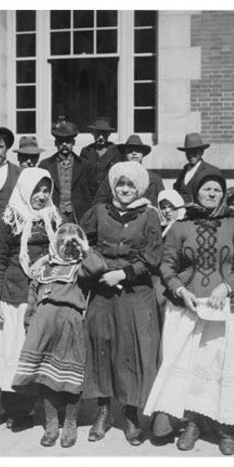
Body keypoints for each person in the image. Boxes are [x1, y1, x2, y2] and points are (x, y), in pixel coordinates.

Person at [144, 168, 234, 456]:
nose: (212, 193)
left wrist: (226, 288)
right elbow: (166, 265)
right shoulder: (181, 226)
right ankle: (191, 423)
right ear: (196, 192)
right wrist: (181, 291)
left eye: (218, 190)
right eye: (207, 189)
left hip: (225, 308)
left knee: (220, 364)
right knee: (191, 366)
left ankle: (225, 426)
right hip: (189, 307)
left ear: (224, 194)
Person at [80, 161, 162, 446]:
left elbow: (153, 256)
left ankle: (130, 414)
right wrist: (99, 270)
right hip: (102, 291)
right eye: (120, 184)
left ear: (139, 187)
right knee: (101, 345)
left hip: (135, 293)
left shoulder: (149, 215)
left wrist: (124, 273)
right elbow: (82, 244)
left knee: (130, 351)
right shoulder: (99, 212)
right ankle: (103, 412)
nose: (125, 190)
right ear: (113, 186)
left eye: (131, 185)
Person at [12, 224, 107, 448]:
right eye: (63, 243)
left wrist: (84, 248)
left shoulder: (81, 269)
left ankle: (71, 422)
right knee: (45, 376)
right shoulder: (44, 269)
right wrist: (29, 323)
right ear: (54, 244)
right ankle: (51, 423)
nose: (68, 248)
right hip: (42, 326)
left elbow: (99, 267)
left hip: (70, 324)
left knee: (71, 376)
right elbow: (33, 296)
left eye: (73, 243)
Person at [0, 167, 62, 429]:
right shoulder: (9, 219)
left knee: (39, 352)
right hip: (15, 295)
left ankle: (38, 407)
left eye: (46, 190)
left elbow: (63, 252)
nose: (41, 196)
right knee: (15, 351)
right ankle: (15, 410)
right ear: (25, 189)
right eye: (37, 190)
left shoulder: (53, 218)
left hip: (45, 293)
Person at [38, 117, 98, 224]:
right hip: (53, 215)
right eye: (61, 142)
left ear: (73, 142)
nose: (64, 145)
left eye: (68, 141)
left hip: (78, 216)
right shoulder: (45, 165)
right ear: (56, 143)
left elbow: (93, 191)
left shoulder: (85, 165)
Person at [94, 134, 164, 207]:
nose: (134, 153)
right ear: (124, 154)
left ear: (143, 154)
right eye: (130, 151)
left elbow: (163, 203)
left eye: (138, 150)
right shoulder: (114, 176)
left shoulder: (154, 179)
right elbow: (100, 201)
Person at [173, 132, 221, 203]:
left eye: (195, 151)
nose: (191, 154)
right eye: (188, 151)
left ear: (202, 152)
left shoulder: (211, 171)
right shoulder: (183, 172)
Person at [80, 117, 122, 189]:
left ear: (109, 134)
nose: (101, 137)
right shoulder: (86, 151)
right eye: (98, 133)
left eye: (104, 133)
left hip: (110, 191)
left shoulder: (116, 151)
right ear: (92, 133)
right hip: (91, 193)